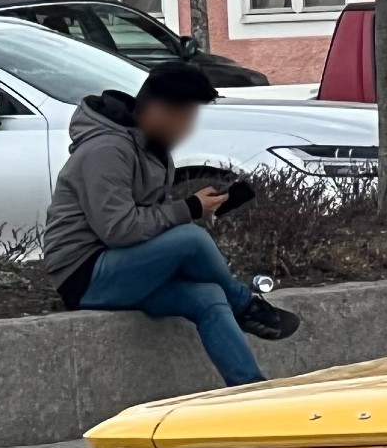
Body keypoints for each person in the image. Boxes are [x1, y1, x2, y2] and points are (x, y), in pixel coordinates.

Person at [41, 62, 299, 387]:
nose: (188, 128)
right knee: (191, 239)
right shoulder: (105, 150)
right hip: (85, 274)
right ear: (158, 111)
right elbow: (119, 229)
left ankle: (249, 389)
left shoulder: (151, 148)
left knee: (208, 297)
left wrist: (196, 206)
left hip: (125, 268)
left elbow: (148, 217)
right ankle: (245, 305)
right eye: (184, 117)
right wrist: (189, 208)